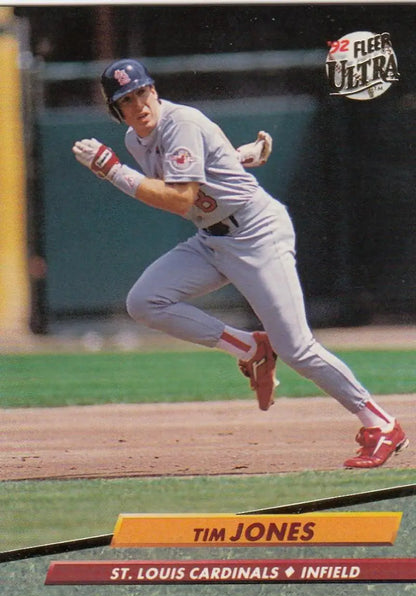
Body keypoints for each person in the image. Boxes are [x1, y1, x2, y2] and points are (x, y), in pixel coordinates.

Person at [72, 58, 408, 469]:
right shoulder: (135, 139)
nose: (139, 104)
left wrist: (111, 171)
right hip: (212, 240)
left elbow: (179, 198)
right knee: (144, 301)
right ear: (116, 110)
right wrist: (238, 157)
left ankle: (380, 424)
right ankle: (250, 346)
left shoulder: (180, 122)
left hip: (256, 233)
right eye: (126, 99)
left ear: (154, 91)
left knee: (298, 348)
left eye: (142, 92)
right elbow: (200, 172)